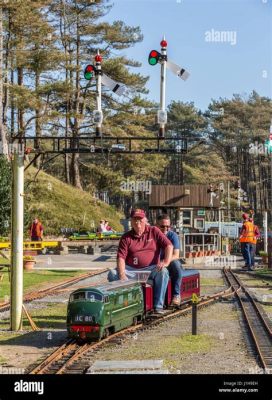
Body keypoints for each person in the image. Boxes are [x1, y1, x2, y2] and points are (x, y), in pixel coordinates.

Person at [108, 208, 173, 314]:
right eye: (135, 219)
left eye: (140, 219)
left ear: (145, 220)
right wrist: (122, 274)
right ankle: (122, 307)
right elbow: (121, 258)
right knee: (112, 273)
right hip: (131, 271)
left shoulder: (154, 231)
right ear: (131, 221)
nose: (138, 222)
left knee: (163, 272)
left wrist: (166, 262)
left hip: (150, 270)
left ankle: (158, 307)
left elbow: (169, 245)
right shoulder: (126, 237)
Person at [156, 214, 184, 306]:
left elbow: (176, 255)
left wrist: (165, 262)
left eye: (168, 226)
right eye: (162, 226)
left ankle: (176, 295)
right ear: (157, 225)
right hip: (155, 262)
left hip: (169, 262)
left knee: (176, 264)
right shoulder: (152, 235)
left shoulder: (173, 236)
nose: (166, 229)